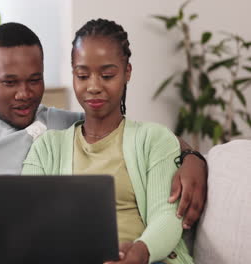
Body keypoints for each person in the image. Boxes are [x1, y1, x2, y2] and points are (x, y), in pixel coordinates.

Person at [0, 22, 206, 264]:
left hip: (29, 247)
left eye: (34, 80)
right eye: (10, 82)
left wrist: (193, 158)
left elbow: (134, 135)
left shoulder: (61, 127)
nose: (25, 94)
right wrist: (3, 218)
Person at [22, 19, 197, 264]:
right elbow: (26, 216)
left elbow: (167, 216)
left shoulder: (154, 139)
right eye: (82, 75)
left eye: (107, 75)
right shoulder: (46, 147)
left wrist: (141, 251)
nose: (93, 86)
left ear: (127, 72)